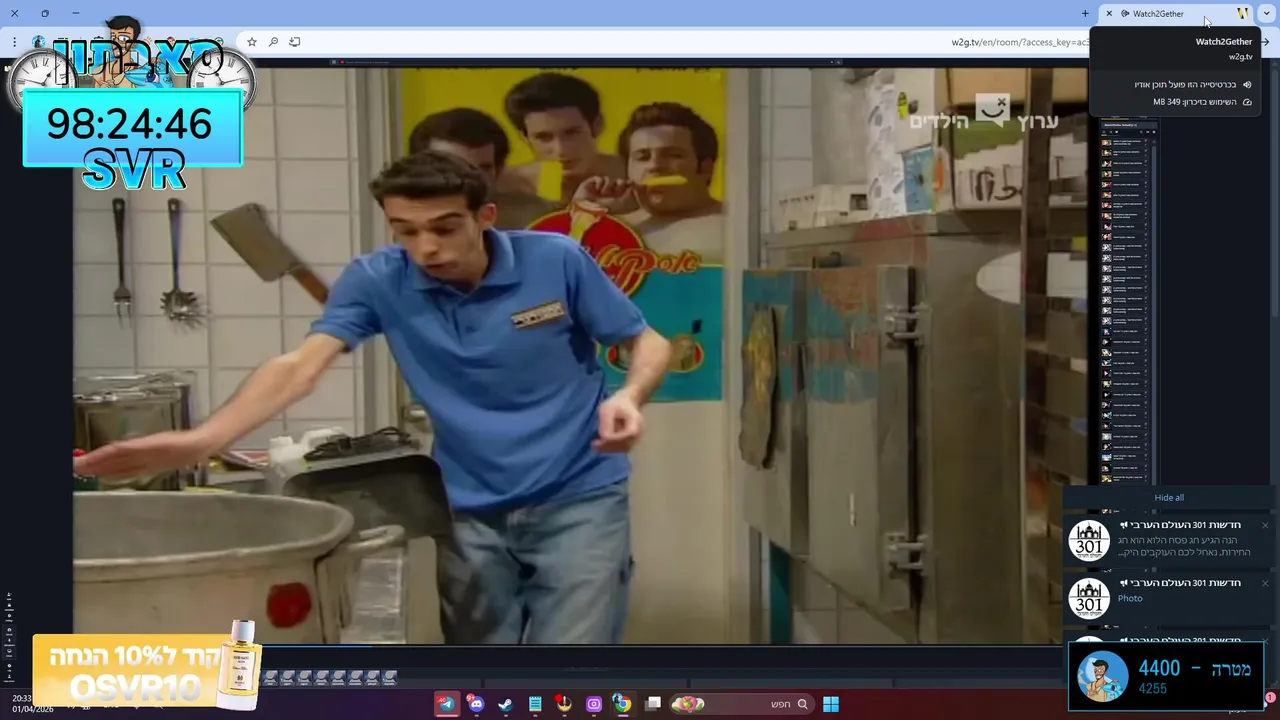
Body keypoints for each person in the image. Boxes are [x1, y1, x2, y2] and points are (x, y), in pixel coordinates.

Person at [74, 150, 673, 646]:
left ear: (485, 216)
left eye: (444, 227)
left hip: (579, 497)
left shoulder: (556, 261)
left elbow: (647, 342)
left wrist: (631, 396)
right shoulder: (378, 279)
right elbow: (300, 367)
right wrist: (204, 440)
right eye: (405, 230)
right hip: (466, 508)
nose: (425, 247)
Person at [572, 102, 725, 264]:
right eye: (642, 157)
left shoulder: (736, 223)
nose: (654, 166)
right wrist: (581, 215)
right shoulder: (608, 226)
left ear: (706, 168)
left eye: (673, 155)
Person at [408, 108, 556, 229]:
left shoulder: (537, 220)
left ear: (498, 170)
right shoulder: (402, 222)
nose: (468, 180)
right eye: (452, 168)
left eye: (482, 169)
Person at [500, 72, 626, 203]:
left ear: (598, 126)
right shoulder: (504, 187)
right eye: (544, 137)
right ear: (525, 138)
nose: (561, 150)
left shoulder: (631, 175)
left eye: (572, 133)